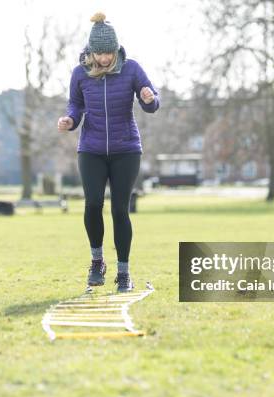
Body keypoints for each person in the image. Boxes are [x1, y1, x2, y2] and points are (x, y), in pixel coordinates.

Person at [57, 12, 160, 292]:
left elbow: (150, 98)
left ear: (116, 50)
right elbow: (75, 107)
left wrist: (149, 98)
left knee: (119, 209)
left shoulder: (131, 69)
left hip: (126, 149)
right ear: (91, 51)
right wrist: (69, 121)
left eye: (109, 53)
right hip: (91, 148)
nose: (104, 59)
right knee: (92, 204)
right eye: (99, 53)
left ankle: (124, 273)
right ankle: (97, 262)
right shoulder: (80, 73)